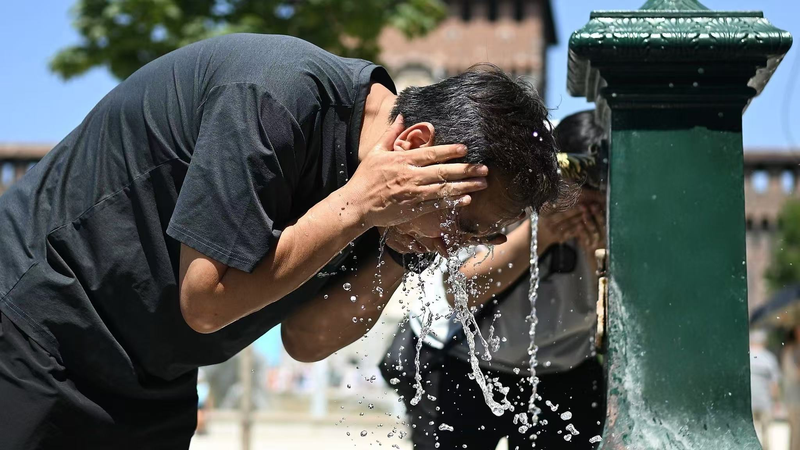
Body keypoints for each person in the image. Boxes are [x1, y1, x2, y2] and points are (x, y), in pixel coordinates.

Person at [0, 34, 561, 449]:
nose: (450, 248)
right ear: (415, 143)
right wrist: (358, 207)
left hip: (151, 374)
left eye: (476, 240)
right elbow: (207, 301)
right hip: (41, 316)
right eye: (460, 226)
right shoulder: (273, 98)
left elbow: (307, 339)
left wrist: (393, 253)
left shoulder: (391, 200)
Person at [381, 110, 606, 449]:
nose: (586, 202)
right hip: (461, 361)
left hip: (564, 370)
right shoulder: (510, 191)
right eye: (579, 187)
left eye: (600, 190)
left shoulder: (618, 215)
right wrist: (539, 235)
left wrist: (598, 248)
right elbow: (460, 290)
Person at [750, 329, 780, 449]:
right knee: (766, 433)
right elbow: (774, 383)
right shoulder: (769, 358)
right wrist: (775, 401)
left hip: (748, 402)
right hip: (765, 402)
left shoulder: (746, 356)